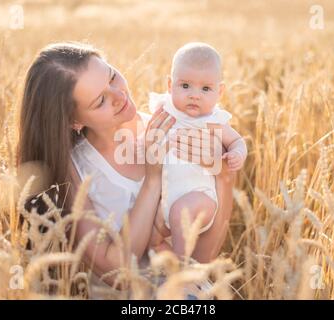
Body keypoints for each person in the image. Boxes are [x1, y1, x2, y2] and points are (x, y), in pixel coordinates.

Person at [16, 41, 238, 291]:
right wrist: (153, 180)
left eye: (112, 77)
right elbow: (117, 273)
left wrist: (224, 176)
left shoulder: (173, 126)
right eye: (101, 100)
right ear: (74, 120)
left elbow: (201, 261)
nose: (120, 96)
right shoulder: (73, 171)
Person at [147, 42, 247, 260]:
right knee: (149, 234)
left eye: (205, 89)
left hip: (199, 198)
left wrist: (237, 154)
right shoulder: (165, 110)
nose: (194, 95)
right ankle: (171, 269)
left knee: (180, 212)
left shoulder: (214, 121)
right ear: (169, 85)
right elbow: (148, 133)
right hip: (165, 198)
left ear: (219, 91)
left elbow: (237, 141)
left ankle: (182, 266)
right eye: (185, 86)